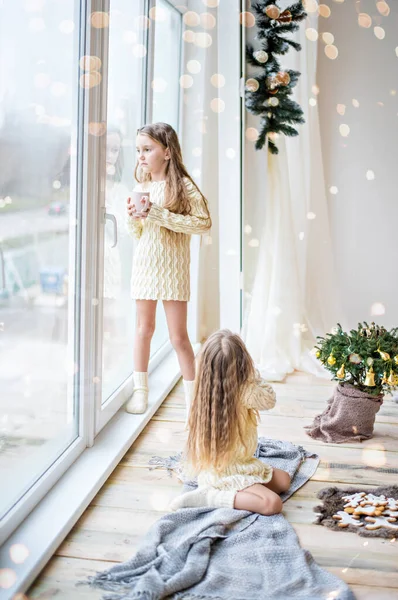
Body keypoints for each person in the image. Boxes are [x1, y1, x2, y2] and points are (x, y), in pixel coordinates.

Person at [125, 122, 212, 415]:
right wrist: (134, 218)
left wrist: (158, 213)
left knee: (178, 337)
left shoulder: (184, 187)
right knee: (143, 329)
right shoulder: (142, 187)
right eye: (138, 150)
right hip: (145, 267)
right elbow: (138, 234)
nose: (141, 156)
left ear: (167, 152)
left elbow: (202, 224)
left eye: (147, 149)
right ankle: (140, 392)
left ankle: (194, 401)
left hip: (173, 270)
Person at [169, 330, 291, 514]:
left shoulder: (202, 388)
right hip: (222, 473)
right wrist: (253, 374)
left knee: (284, 480)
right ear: (244, 363)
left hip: (241, 463)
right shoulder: (246, 391)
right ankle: (208, 497)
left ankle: (234, 491)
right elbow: (269, 398)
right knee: (272, 504)